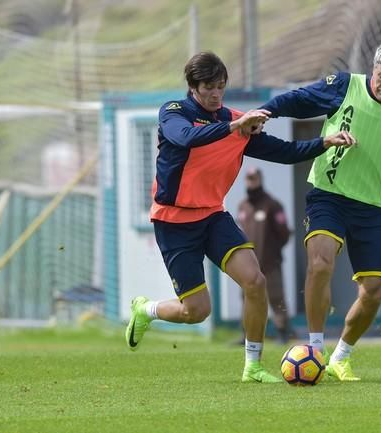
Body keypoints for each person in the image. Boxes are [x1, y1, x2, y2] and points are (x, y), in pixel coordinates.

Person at [124, 51, 356, 384]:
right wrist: (234, 126)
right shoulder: (174, 112)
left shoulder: (235, 121)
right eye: (209, 87)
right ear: (193, 86)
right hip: (174, 221)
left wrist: (325, 142)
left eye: (221, 86)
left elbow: (285, 152)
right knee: (197, 311)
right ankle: (145, 310)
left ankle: (253, 366)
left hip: (213, 216)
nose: (216, 94)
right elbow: (186, 138)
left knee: (255, 281)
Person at [260, 40, 381, 381]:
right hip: (328, 194)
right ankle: (315, 348)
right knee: (321, 262)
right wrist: (267, 110)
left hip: (373, 206)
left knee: (373, 291)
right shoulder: (345, 85)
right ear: (373, 69)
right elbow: (300, 99)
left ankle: (342, 356)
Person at [237, 167, 294, 344]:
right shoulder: (243, 206)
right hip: (248, 264)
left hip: (270, 263)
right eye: (248, 179)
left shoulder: (272, 205)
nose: (251, 182)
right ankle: (246, 335)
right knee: (247, 298)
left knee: (277, 298)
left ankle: (283, 332)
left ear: (260, 179)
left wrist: (272, 253)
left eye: (254, 178)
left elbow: (284, 233)